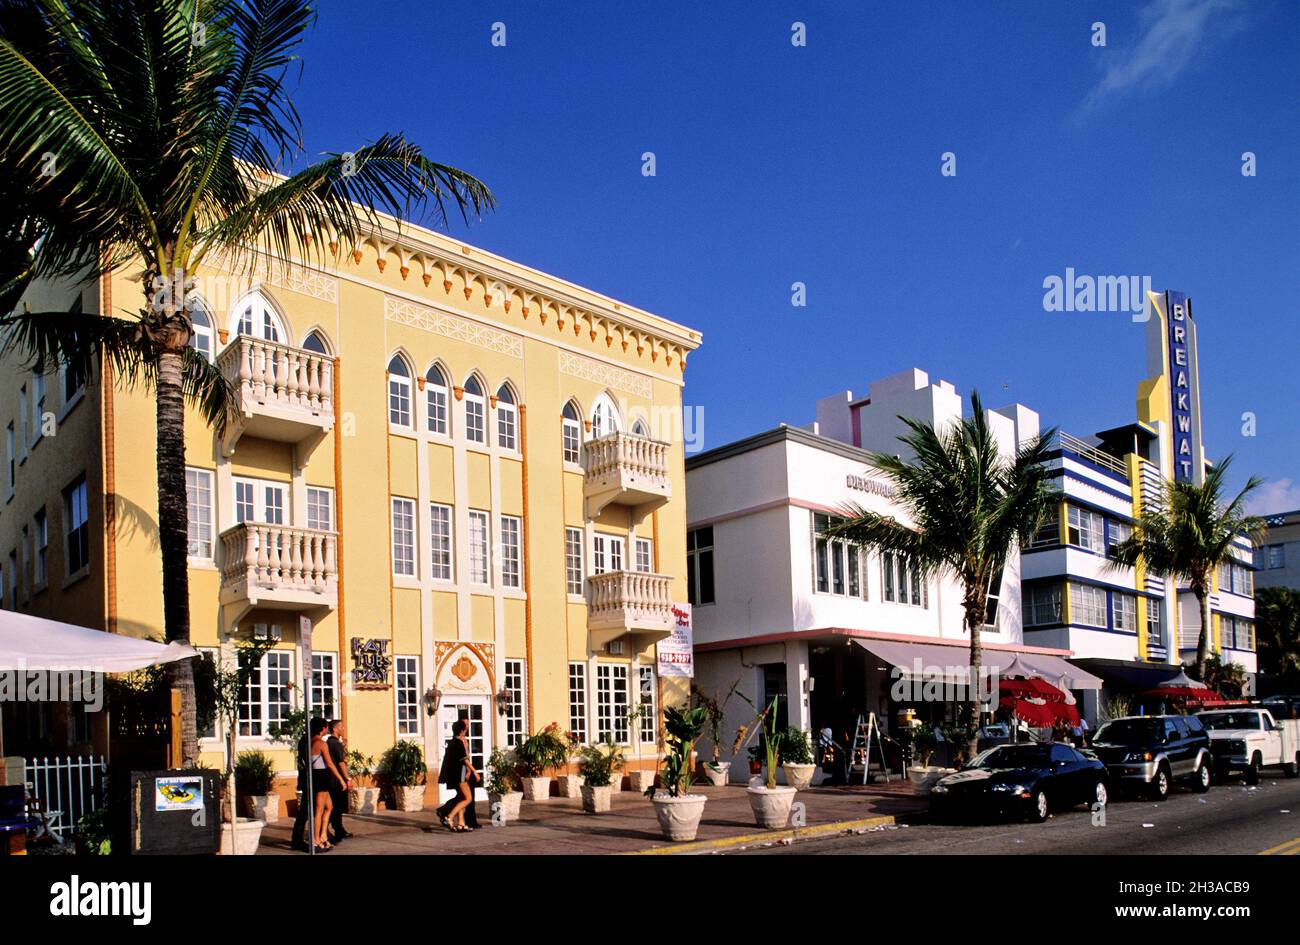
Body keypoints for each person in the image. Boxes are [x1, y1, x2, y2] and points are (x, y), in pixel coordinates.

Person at [309, 716, 347, 852]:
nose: (327, 729)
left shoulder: (310, 742)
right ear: (323, 729)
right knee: (319, 810)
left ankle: (323, 835)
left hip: (316, 776)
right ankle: (315, 840)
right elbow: (330, 764)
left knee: (329, 807)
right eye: (325, 727)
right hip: (321, 777)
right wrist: (342, 780)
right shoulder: (321, 743)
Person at [437, 719, 478, 832]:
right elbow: (465, 760)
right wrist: (474, 771)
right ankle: (449, 816)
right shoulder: (459, 742)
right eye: (465, 728)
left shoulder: (452, 742)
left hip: (453, 775)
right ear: (462, 730)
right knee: (468, 798)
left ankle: (461, 823)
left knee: (461, 798)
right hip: (459, 774)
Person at [327, 719, 353, 842]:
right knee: (337, 806)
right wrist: (347, 779)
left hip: (330, 778)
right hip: (338, 780)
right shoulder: (336, 744)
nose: (343, 729)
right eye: (341, 727)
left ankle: (339, 830)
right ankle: (337, 830)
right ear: (334, 729)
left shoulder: (328, 742)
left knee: (334, 806)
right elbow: (341, 763)